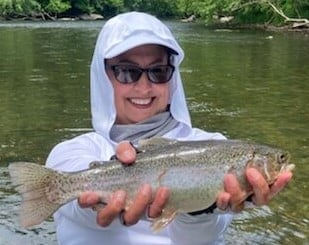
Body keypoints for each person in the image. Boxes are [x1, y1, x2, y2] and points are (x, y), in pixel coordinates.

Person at [46, 11, 293, 245]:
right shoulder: (71, 152)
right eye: (126, 72)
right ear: (103, 76)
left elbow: (202, 241)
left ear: (173, 76)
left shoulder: (214, 142)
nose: (144, 87)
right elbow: (73, 209)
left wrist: (200, 212)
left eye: (158, 71)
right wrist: (98, 204)